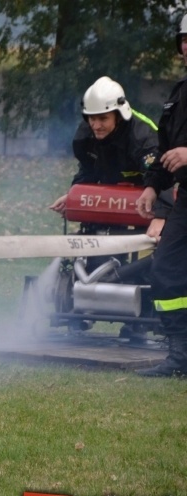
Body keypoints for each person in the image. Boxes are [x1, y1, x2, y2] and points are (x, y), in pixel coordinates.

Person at [49, 76, 166, 249]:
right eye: (92, 119)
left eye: (103, 119)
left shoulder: (142, 137)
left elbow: (162, 176)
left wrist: (161, 216)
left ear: (119, 117)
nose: (96, 126)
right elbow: (88, 170)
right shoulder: (85, 137)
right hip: (113, 196)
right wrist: (73, 197)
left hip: (151, 192)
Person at [135, 14, 187, 378]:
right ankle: (180, 356)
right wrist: (153, 185)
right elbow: (167, 148)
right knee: (166, 269)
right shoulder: (180, 93)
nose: (186, 47)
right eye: (183, 40)